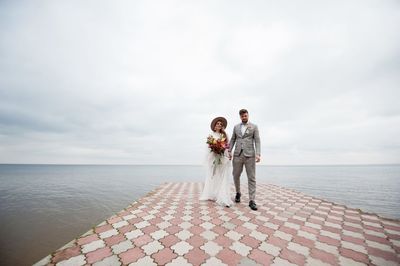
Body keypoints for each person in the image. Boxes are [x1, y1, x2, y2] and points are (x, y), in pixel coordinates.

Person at [228, 109, 261, 211]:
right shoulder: (236, 127)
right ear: (240, 117)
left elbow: (257, 140)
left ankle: (252, 200)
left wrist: (258, 154)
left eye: (246, 115)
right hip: (237, 154)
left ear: (248, 116)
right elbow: (233, 139)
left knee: (251, 178)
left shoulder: (254, 126)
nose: (244, 117)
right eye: (242, 116)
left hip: (250, 155)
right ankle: (238, 193)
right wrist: (229, 150)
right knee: (235, 175)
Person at [200, 117, 233, 207]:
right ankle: (212, 193)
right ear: (214, 126)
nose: (219, 125)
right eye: (217, 124)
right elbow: (209, 147)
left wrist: (229, 153)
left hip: (223, 158)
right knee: (213, 176)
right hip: (213, 158)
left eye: (220, 124)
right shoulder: (211, 135)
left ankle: (221, 195)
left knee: (222, 176)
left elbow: (227, 146)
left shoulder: (224, 135)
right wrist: (215, 149)